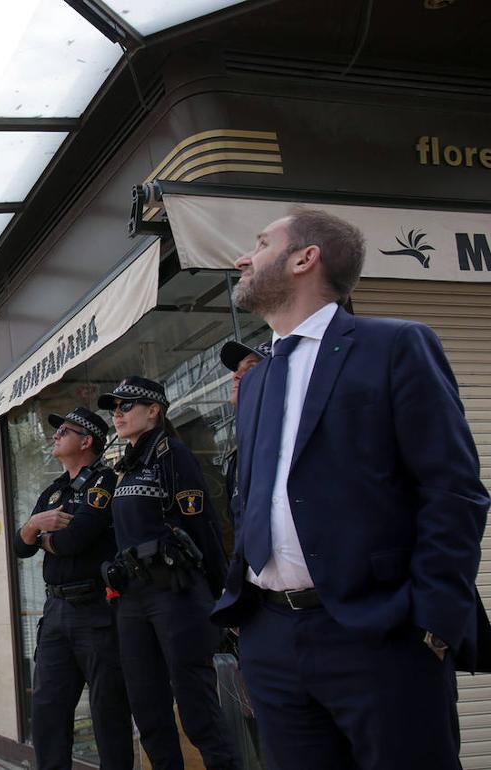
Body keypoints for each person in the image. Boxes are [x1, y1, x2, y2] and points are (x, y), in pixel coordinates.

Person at [211, 206, 491, 770]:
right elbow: (253, 497)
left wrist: (433, 622)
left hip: (380, 636)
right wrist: (248, 620)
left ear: (304, 258)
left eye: (261, 244)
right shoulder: (258, 378)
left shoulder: (395, 346)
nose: (242, 258)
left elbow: (453, 489)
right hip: (272, 639)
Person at [98, 377, 241, 770]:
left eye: (127, 406)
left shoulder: (173, 455)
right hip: (133, 599)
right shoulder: (124, 464)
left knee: (197, 709)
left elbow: (205, 529)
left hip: (175, 593)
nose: (118, 413)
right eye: (115, 407)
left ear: (154, 410)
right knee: (147, 710)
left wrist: (226, 595)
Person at [13, 407, 133, 770]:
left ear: (86, 441)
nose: (55, 435)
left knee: (108, 711)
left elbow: (75, 540)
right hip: (57, 613)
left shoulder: (105, 482)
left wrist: (40, 536)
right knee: (48, 710)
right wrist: (36, 524)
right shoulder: (53, 492)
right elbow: (20, 547)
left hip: (97, 609)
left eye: (64, 430)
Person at [218, 340, 270, 541]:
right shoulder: (240, 454)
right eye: (237, 368)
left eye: (252, 366)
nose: (235, 375)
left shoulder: (293, 441)